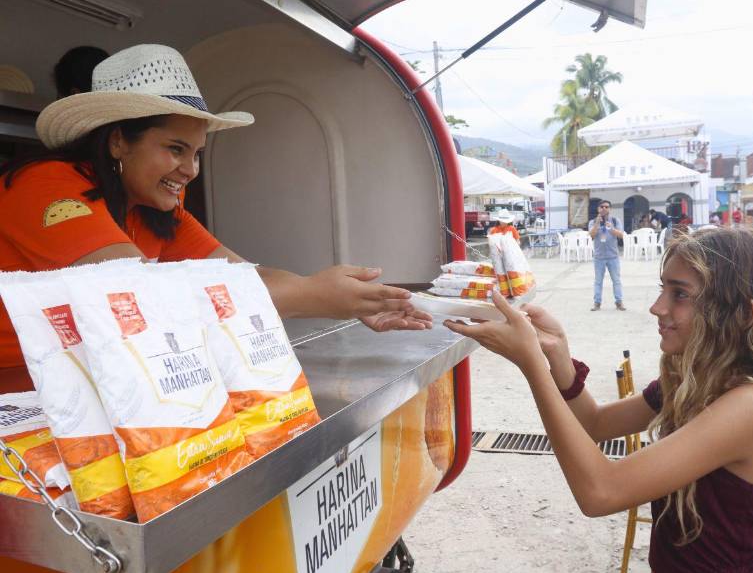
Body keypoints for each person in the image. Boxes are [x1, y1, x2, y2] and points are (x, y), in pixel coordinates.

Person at [0, 44, 431, 393]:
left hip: (71, 391)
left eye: (196, 153)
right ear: (117, 141)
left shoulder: (154, 210)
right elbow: (135, 296)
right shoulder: (46, 186)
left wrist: (342, 297)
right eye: (175, 148)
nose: (189, 170)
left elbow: (244, 276)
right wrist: (314, 296)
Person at [446, 227, 753, 573]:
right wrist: (557, 356)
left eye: (679, 294)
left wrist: (531, 363)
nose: (657, 307)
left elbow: (600, 492)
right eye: (663, 289)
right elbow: (595, 424)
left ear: (743, 314)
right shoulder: (694, 381)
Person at [589, 200, 624, 311]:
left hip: (613, 256)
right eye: (602, 207)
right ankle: (597, 303)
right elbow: (591, 235)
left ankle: (619, 302)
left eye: (607, 207)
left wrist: (611, 229)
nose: (604, 209)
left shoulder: (615, 220)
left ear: (610, 209)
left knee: (616, 280)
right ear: (598, 209)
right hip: (599, 257)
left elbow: (621, 235)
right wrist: (597, 224)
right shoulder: (593, 221)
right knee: (598, 281)